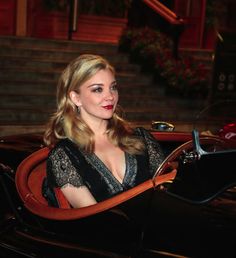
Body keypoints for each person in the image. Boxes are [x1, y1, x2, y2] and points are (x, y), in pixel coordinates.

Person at [43, 54, 165, 208]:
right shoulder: (64, 156)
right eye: (98, 89)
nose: (110, 96)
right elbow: (94, 220)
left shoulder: (142, 138)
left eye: (113, 87)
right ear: (76, 98)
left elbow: (170, 196)